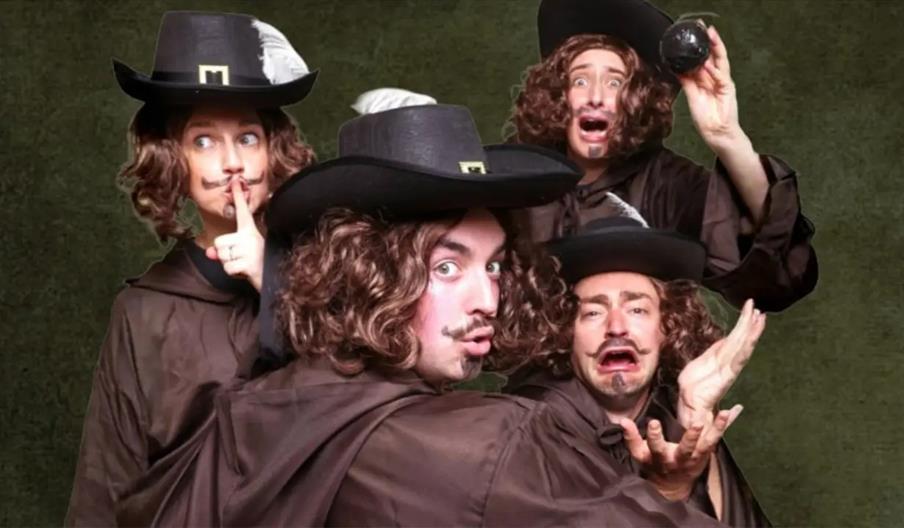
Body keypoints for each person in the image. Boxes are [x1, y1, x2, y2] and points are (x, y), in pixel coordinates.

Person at [128, 103, 728, 526]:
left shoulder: (250, 407)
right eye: (447, 267)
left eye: (493, 266)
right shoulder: (500, 444)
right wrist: (676, 486)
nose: (487, 300)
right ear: (369, 273)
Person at [65, 11, 317, 526]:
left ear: (274, 150)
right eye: (204, 141)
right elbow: (108, 471)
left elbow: (370, 406)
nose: (231, 162)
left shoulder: (330, 273)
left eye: (247, 137)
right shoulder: (144, 310)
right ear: (174, 162)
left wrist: (273, 278)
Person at [507, 0, 817, 311]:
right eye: (580, 81)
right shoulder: (519, 177)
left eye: (615, 83)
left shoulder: (667, 184)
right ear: (559, 95)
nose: (596, 97)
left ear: (634, 100)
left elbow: (778, 277)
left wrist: (727, 137)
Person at [506, 216, 772, 526]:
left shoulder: (676, 414)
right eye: (593, 312)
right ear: (565, 333)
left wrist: (698, 420)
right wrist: (668, 489)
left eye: (637, 310)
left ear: (668, 327)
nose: (617, 327)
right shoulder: (525, 432)